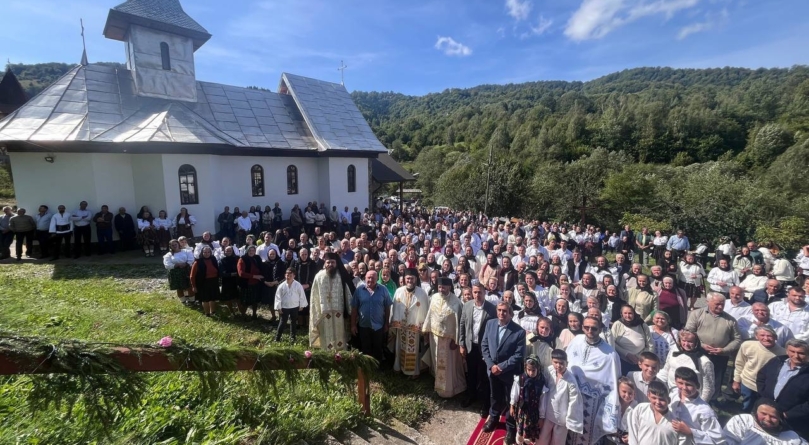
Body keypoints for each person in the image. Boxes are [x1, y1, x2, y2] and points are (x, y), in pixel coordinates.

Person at [566, 316, 622, 445]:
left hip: (592, 404)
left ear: (600, 329)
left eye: (594, 328)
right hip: (572, 396)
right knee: (568, 434)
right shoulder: (576, 341)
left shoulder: (610, 355)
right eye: (586, 327)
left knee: (587, 439)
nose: (589, 330)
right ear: (582, 327)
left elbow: (613, 383)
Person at [481, 301, 526, 443]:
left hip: (508, 373)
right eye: (499, 310)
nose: (501, 313)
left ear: (510, 314)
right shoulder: (490, 324)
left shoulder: (519, 331)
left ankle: (510, 428)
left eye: (505, 311)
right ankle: (493, 419)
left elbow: (519, 355)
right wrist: (490, 365)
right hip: (492, 371)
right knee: (494, 396)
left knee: (509, 401)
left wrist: (501, 367)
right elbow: (484, 345)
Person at [684, 292, 742, 397]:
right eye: (717, 304)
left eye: (722, 304)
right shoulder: (697, 314)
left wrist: (724, 350)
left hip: (720, 356)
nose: (720, 307)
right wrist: (701, 345)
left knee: (716, 379)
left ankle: (713, 400)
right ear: (708, 302)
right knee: (698, 376)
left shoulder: (730, 320)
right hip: (699, 352)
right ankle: (693, 396)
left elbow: (737, 339)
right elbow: (689, 332)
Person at [421, 277, 466, 398]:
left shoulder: (456, 303)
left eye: (444, 287)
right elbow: (430, 314)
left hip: (448, 341)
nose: (441, 289)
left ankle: (451, 390)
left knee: (449, 367)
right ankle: (438, 386)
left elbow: (459, 323)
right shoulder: (434, 297)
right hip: (435, 337)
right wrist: (427, 330)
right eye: (440, 287)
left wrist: (456, 341)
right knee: (436, 362)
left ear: (450, 287)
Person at [756, 339, 809, 439]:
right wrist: (763, 394)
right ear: (787, 351)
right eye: (792, 351)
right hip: (765, 412)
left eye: (801, 353)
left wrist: (788, 414)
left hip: (790, 420)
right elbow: (761, 376)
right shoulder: (777, 361)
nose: (796, 356)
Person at [733, 325, 785, 412]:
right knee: (746, 406)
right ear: (756, 337)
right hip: (748, 382)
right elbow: (739, 363)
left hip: (767, 387)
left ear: (775, 337)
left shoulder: (783, 353)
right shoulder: (747, 345)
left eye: (769, 335)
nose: (766, 338)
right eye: (762, 335)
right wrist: (736, 380)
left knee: (762, 409)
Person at [537, 349, 584, 445]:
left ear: (567, 363)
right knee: (542, 439)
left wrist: (570, 420)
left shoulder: (571, 380)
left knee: (557, 442)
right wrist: (541, 414)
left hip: (561, 419)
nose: (558, 366)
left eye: (561, 363)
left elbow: (574, 401)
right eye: (555, 362)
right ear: (551, 361)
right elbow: (543, 390)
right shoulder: (549, 371)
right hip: (548, 414)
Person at [309, 252, 354, 351]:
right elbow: (314, 297)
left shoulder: (341, 275)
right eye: (328, 262)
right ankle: (327, 357)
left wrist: (350, 311)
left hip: (339, 314)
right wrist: (316, 313)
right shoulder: (318, 277)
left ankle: (341, 357)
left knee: (340, 338)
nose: (330, 265)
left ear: (336, 263)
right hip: (324, 314)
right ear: (324, 263)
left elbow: (348, 293)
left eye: (332, 262)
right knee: (326, 338)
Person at [668, 367, 724, 445]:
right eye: (680, 383)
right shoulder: (673, 394)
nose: (684, 388)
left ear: (697, 386)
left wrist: (691, 432)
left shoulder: (704, 411)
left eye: (688, 384)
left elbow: (717, 440)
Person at [390, 268, 430, 377]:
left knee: (413, 350)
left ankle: (412, 372)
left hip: (414, 329)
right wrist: (395, 322)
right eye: (407, 278)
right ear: (404, 279)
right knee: (400, 348)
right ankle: (399, 368)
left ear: (416, 279)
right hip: (401, 327)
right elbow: (394, 308)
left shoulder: (422, 293)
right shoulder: (399, 291)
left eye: (412, 278)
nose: (409, 281)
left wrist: (422, 327)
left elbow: (425, 310)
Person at [659, 329, 715, 402]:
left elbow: (708, 388)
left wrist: (701, 404)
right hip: (671, 394)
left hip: (691, 399)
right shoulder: (674, 350)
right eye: (683, 341)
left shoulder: (704, 361)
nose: (686, 344)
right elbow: (665, 370)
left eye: (690, 341)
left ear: (696, 342)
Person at [723, 399, 805, 445]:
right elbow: (726, 441)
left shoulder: (790, 436)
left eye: (773, 417)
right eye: (763, 414)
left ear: (780, 419)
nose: (768, 419)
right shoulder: (743, 421)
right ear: (755, 412)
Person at [627, 381, 679, 445]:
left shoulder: (675, 422)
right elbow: (633, 436)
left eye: (661, 399)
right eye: (654, 398)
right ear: (648, 395)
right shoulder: (640, 409)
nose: (658, 402)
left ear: (668, 400)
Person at [509, 356, 545, 445]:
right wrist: (512, 405)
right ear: (525, 368)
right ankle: (519, 442)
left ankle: (526, 443)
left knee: (530, 433)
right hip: (522, 411)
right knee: (520, 430)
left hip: (534, 413)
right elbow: (515, 394)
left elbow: (542, 402)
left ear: (538, 368)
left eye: (533, 370)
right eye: (529, 370)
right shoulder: (520, 379)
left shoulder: (541, 382)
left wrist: (541, 417)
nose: (531, 373)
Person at [612, 305, 653, 374]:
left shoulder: (642, 325)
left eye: (630, 313)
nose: (628, 316)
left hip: (640, 361)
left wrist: (642, 358)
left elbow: (650, 344)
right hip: (622, 360)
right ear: (621, 314)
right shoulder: (617, 324)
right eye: (625, 313)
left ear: (634, 313)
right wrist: (626, 354)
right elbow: (612, 343)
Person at [274, 267, 308, 342]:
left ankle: (293, 337)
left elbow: (302, 295)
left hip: (294, 306)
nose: (288, 276)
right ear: (285, 275)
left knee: (293, 322)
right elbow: (278, 297)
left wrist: (301, 305)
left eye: (290, 274)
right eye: (287, 274)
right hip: (284, 307)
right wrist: (279, 307)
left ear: (294, 276)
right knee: (282, 322)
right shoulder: (281, 286)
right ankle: (277, 338)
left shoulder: (298, 285)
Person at [190, 245, 221, 317]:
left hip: (214, 282)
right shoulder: (197, 262)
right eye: (204, 252)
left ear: (210, 252)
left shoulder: (213, 259)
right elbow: (192, 276)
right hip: (203, 283)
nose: (206, 253)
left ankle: (213, 312)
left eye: (208, 252)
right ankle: (207, 314)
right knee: (205, 299)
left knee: (213, 298)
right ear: (202, 253)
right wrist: (194, 286)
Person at [163, 239, 195, 305]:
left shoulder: (186, 251)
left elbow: (191, 259)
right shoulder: (168, 255)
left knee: (189, 286)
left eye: (175, 244)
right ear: (170, 246)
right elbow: (167, 264)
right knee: (179, 287)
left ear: (178, 244)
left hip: (186, 270)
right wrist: (176, 265)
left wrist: (186, 264)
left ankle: (192, 301)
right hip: (175, 273)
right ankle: (183, 301)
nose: (174, 246)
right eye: (172, 245)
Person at [218, 245, 240, 315]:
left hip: (236, 281)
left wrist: (230, 273)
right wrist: (232, 274)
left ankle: (240, 311)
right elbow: (221, 273)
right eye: (227, 251)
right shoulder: (222, 260)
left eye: (230, 250)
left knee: (237, 298)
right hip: (226, 282)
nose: (228, 252)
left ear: (232, 251)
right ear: (224, 252)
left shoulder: (237, 259)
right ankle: (231, 311)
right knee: (228, 298)